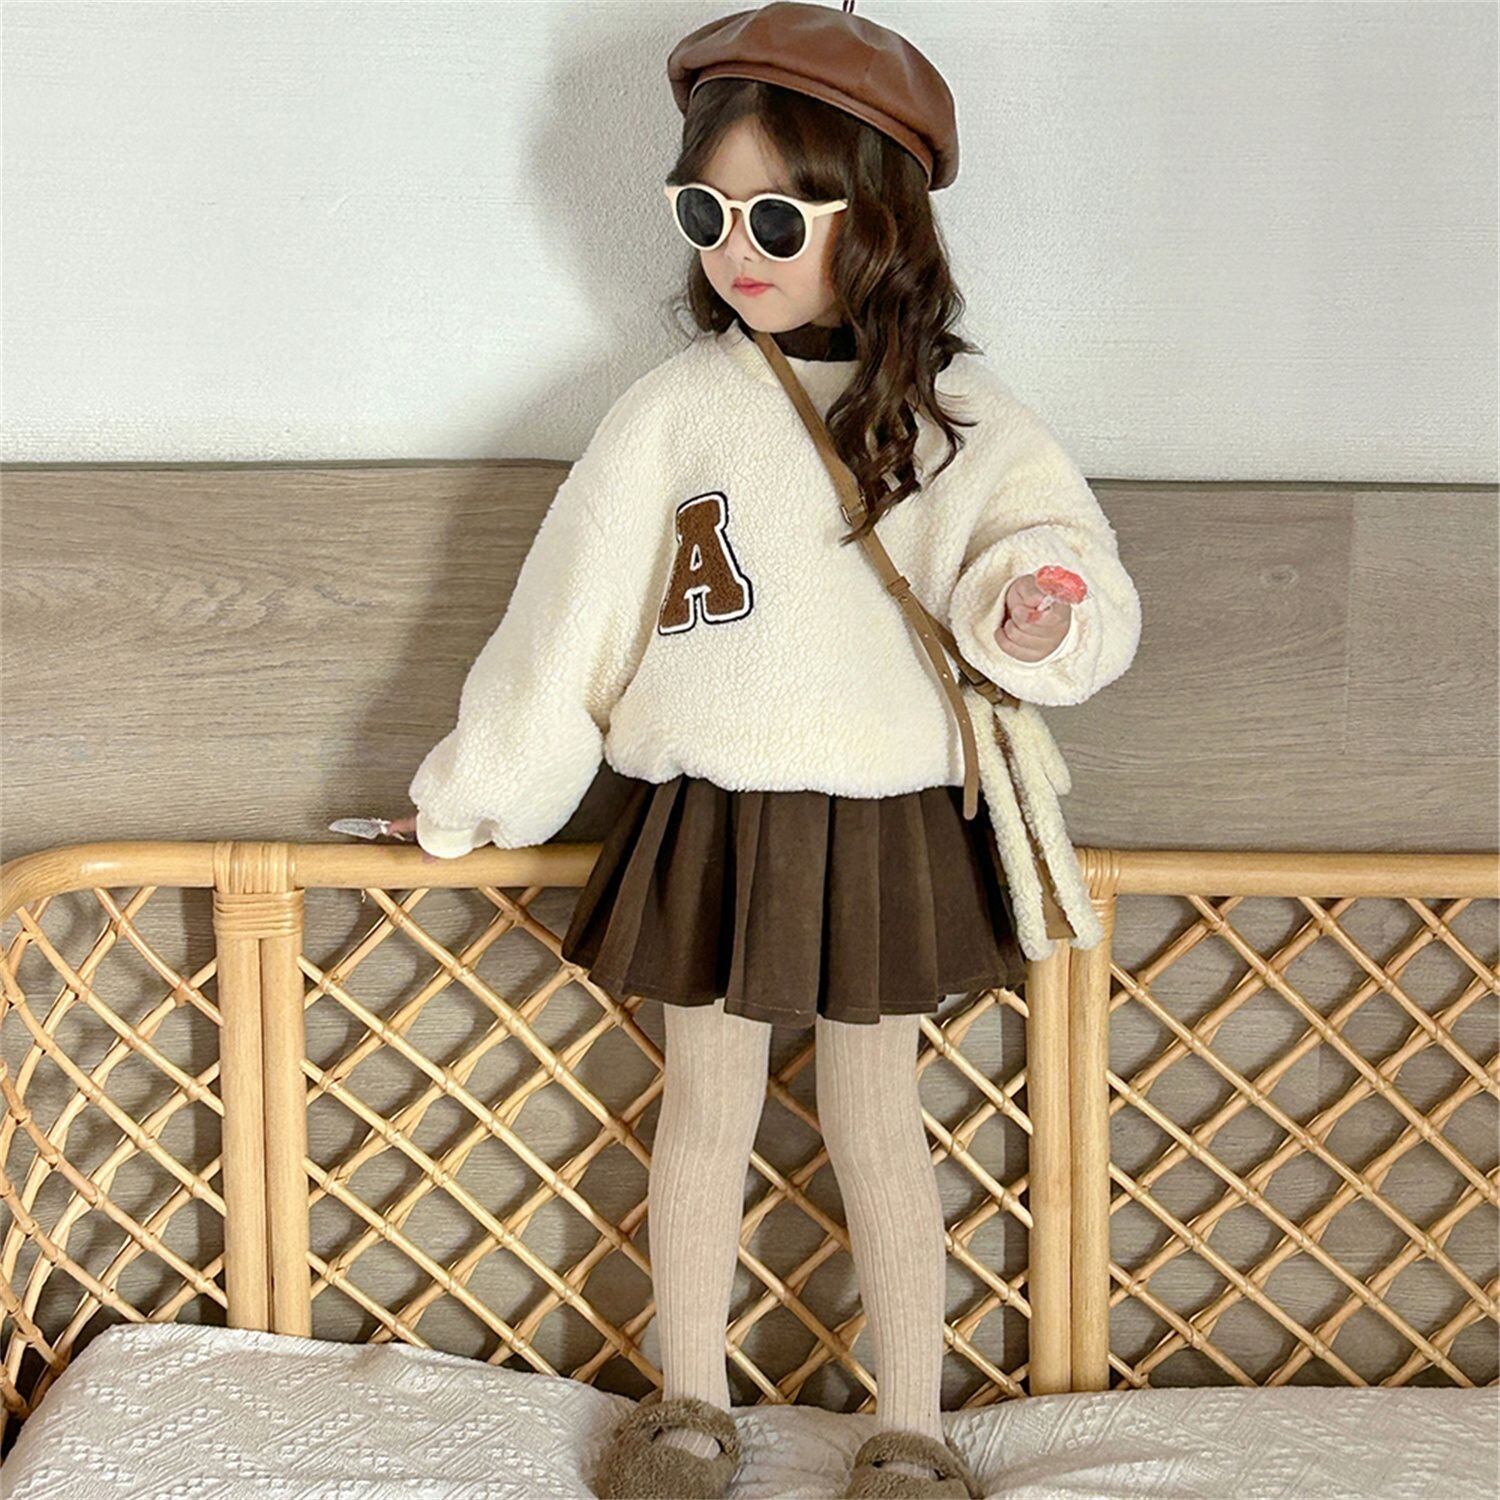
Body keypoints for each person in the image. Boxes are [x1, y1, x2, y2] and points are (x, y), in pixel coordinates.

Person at [388, 6, 1141, 1495]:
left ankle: (911, 1429)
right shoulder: (673, 412)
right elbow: (567, 628)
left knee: (881, 1121)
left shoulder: (961, 419)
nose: (738, 248)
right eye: (706, 211)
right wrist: (472, 797)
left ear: (880, 222)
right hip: (710, 809)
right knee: (701, 1111)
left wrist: (1038, 601)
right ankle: (686, 1404)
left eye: (779, 217)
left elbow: (1059, 562)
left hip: (882, 813)